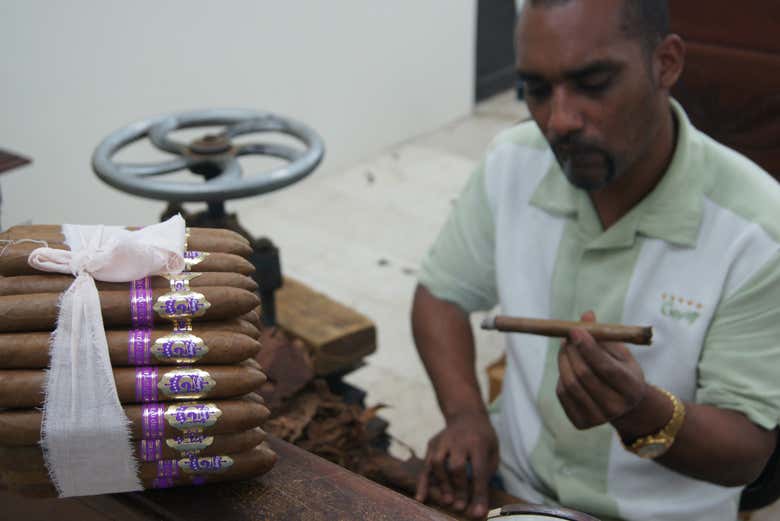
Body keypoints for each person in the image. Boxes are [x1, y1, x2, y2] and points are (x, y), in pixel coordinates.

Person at [411, 1, 780, 520]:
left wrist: (642, 412)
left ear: (666, 64)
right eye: (537, 90)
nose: (559, 121)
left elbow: (746, 453)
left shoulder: (759, 233)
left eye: (594, 82)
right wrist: (466, 414)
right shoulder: (512, 163)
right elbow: (440, 295)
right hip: (515, 492)